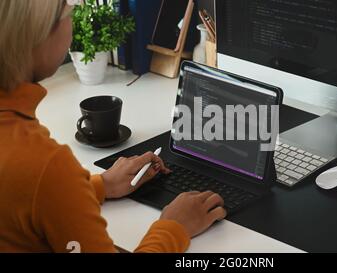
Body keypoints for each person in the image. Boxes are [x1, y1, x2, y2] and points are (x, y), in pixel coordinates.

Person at [0, 0, 226, 253]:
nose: (73, 22)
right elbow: (41, 184)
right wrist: (175, 226)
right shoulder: (47, 166)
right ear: (38, 33)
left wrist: (100, 186)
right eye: (69, 12)